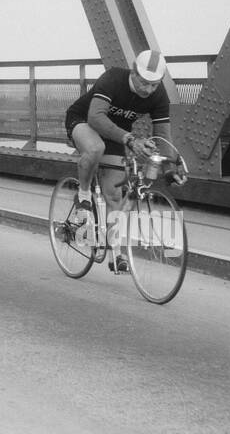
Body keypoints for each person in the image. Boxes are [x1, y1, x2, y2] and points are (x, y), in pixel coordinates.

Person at [62, 49, 172, 273]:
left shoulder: (158, 95)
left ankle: (117, 254)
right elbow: (95, 117)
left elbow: (164, 137)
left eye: (154, 85)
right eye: (143, 83)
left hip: (115, 132)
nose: (148, 90)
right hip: (85, 121)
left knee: (115, 194)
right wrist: (130, 139)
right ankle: (83, 196)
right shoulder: (113, 78)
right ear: (133, 72)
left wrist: (171, 165)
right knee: (95, 148)